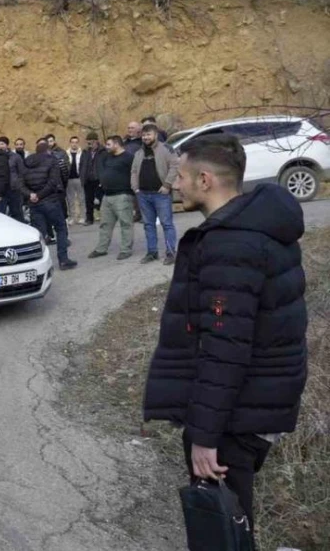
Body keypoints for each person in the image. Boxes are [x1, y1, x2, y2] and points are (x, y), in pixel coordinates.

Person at [143, 134, 307, 547]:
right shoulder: (255, 225)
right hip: (255, 404)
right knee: (233, 521)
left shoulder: (230, 244)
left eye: (179, 176)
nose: (173, 185)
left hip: (236, 416)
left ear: (204, 179)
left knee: (223, 529)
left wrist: (205, 436)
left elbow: (224, 349)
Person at [22, 142, 77, 270]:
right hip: (50, 201)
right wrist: (40, 195)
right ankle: (63, 260)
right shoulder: (51, 161)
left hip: (34, 203)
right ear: (47, 151)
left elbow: (20, 183)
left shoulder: (26, 162)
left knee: (39, 234)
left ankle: (37, 264)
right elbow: (54, 181)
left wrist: (31, 195)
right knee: (61, 228)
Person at [132, 124, 179, 265]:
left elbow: (175, 166)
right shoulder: (139, 153)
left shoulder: (166, 149)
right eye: (144, 135)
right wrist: (135, 188)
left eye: (149, 134)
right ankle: (152, 252)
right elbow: (133, 171)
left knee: (167, 224)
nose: (146, 137)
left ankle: (171, 252)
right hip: (143, 195)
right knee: (148, 225)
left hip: (161, 195)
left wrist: (167, 185)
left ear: (155, 135)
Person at [88, 136, 135, 260]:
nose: (106, 147)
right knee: (105, 224)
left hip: (123, 195)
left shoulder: (129, 158)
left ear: (117, 144)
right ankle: (101, 249)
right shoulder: (108, 157)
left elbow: (135, 174)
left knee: (125, 224)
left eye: (108, 144)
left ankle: (126, 250)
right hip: (107, 196)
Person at [0, 136, 26, 221]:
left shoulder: (15, 157)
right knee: (1, 216)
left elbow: (22, 172)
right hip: (2, 191)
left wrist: (19, 185)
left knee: (17, 214)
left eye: (2, 144)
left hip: (14, 190)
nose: (0, 146)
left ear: (7, 145)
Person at [79, 132, 104, 226]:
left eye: (91, 142)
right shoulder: (85, 152)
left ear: (96, 141)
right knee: (88, 201)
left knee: (101, 200)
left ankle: (104, 219)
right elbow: (81, 165)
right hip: (88, 180)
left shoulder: (103, 151)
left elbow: (105, 165)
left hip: (99, 180)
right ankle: (89, 219)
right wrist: (82, 177)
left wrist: (103, 179)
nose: (89, 145)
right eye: (88, 143)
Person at [65, 135, 85, 225]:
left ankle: (82, 217)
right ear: (70, 143)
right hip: (69, 179)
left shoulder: (82, 153)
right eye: (72, 142)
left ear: (78, 143)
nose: (74, 144)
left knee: (81, 198)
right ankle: (72, 217)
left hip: (79, 178)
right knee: (70, 199)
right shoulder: (66, 153)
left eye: (76, 142)